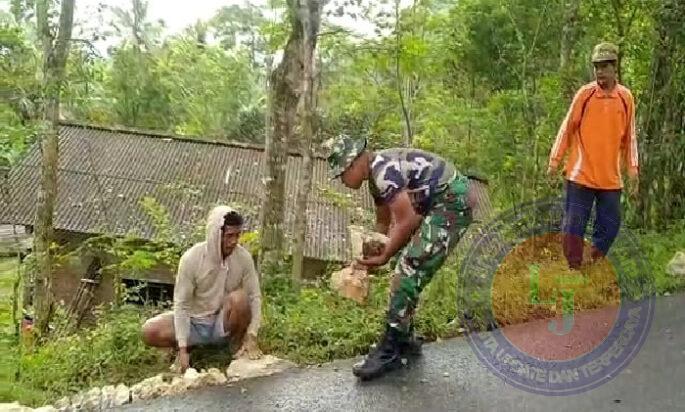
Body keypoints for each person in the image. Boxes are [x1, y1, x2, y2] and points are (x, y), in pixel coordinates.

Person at [325, 134, 485, 380]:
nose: (343, 181)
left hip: (453, 203)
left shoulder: (382, 171)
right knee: (406, 268)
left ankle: (390, 350)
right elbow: (382, 222)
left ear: (354, 162)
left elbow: (407, 220)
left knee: (408, 269)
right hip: (437, 204)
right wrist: (369, 256)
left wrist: (386, 256)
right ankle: (404, 339)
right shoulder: (375, 175)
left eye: (342, 174)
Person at [548, 42, 639, 270]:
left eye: (604, 66)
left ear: (614, 68)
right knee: (573, 225)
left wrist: (633, 170)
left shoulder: (625, 98)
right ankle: (573, 268)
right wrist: (554, 161)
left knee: (610, 226)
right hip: (581, 174)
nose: (599, 71)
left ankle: (593, 263)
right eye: (596, 67)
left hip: (610, 177)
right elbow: (567, 128)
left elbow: (630, 137)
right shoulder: (585, 94)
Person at [142, 206, 263, 372]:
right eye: (229, 236)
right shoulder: (192, 258)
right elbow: (181, 304)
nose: (234, 241)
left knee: (241, 298)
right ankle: (185, 349)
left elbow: (255, 296)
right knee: (150, 330)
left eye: (237, 235)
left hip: (222, 323)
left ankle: (236, 345)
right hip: (194, 323)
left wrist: (252, 334)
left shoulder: (243, 258)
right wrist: (183, 347)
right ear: (216, 235)